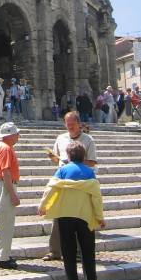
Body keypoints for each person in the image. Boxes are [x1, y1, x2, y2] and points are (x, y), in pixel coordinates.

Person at [38, 141, 105, 280]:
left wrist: (43, 206)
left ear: (68, 155)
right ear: (84, 157)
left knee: (68, 251)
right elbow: (96, 197)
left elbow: (51, 188)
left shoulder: (62, 171)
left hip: (65, 215)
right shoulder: (89, 173)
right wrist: (99, 217)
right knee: (88, 251)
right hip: (85, 216)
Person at [43, 111, 97, 261]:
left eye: (72, 125)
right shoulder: (61, 138)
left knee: (80, 217)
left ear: (79, 124)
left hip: (81, 184)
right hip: (62, 181)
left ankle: (79, 252)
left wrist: (74, 163)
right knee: (58, 216)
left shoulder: (88, 140)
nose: (70, 128)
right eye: (68, 125)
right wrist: (53, 157)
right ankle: (55, 251)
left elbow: (92, 162)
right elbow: (56, 158)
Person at [0, 122, 21, 269]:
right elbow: (6, 172)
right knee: (6, 222)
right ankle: (2, 257)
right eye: (16, 133)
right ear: (9, 135)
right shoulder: (6, 148)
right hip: (4, 185)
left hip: (0, 184)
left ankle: (3, 254)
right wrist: (12, 194)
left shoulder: (1, 146)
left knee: (4, 221)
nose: (18, 135)